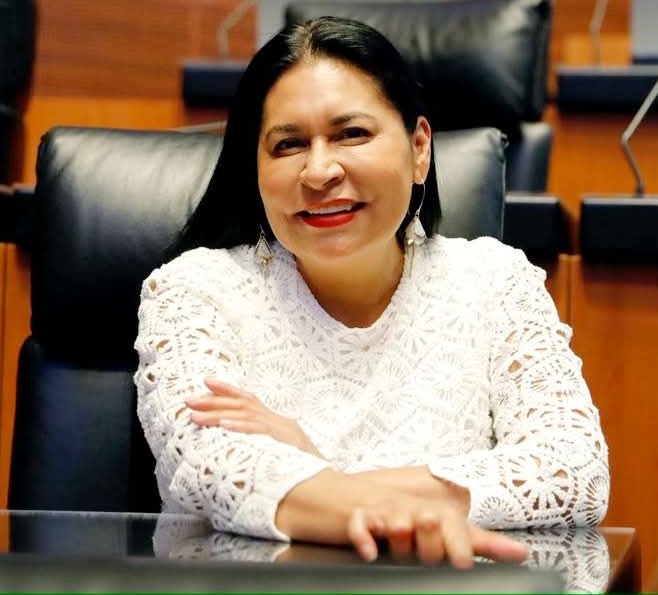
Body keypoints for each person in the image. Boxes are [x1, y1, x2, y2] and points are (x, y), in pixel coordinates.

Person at [134, 15, 609, 566]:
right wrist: (403, 500)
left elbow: (573, 472)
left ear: (419, 148)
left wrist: (321, 472)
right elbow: (210, 467)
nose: (319, 171)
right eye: (288, 144)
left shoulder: (495, 282)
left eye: (351, 134)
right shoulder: (194, 291)